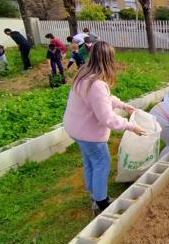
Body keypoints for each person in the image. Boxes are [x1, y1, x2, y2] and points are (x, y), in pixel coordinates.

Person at [63, 41, 147, 214]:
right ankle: (101, 202)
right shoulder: (96, 84)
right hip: (88, 133)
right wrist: (131, 126)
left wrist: (123, 105)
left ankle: (93, 193)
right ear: (107, 59)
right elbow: (106, 117)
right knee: (102, 162)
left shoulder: (84, 73)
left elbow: (104, 99)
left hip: (75, 128)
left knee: (90, 161)